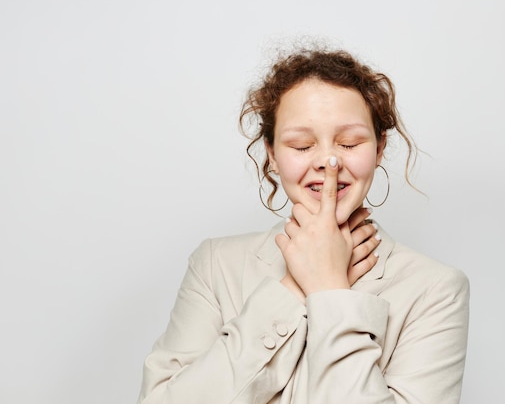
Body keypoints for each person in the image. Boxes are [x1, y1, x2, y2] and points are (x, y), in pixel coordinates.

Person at [137, 47, 470, 404]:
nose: (328, 162)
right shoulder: (216, 265)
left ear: (379, 148)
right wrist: (293, 288)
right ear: (271, 154)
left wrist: (329, 290)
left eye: (349, 143)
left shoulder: (435, 289)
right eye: (301, 145)